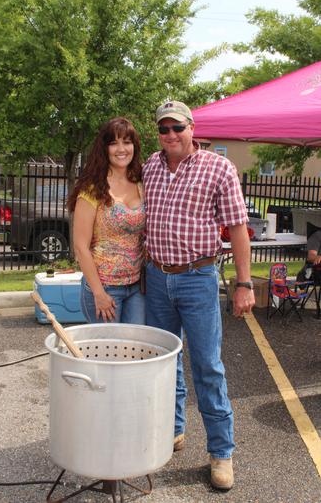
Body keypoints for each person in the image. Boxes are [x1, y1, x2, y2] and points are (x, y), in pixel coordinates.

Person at [143, 101, 255, 491]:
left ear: (192, 128)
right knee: (164, 362)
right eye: (163, 128)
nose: (170, 135)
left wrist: (245, 284)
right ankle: (173, 430)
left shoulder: (219, 167)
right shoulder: (150, 167)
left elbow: (238, 227)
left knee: (207, 365)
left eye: (177, 127)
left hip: (198, 277)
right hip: (156, 277)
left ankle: (221, 452)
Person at [67, 117, 146, 324]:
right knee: (107, 354)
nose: (121, 149)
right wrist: (99, 293)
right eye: (114, 143)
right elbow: (80, 247)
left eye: (127, 142)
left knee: (134, 351)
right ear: (104, 148)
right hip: (104, 288)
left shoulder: (141, 183)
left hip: (137, 287)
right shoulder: (92, 189)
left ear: (134, 146)